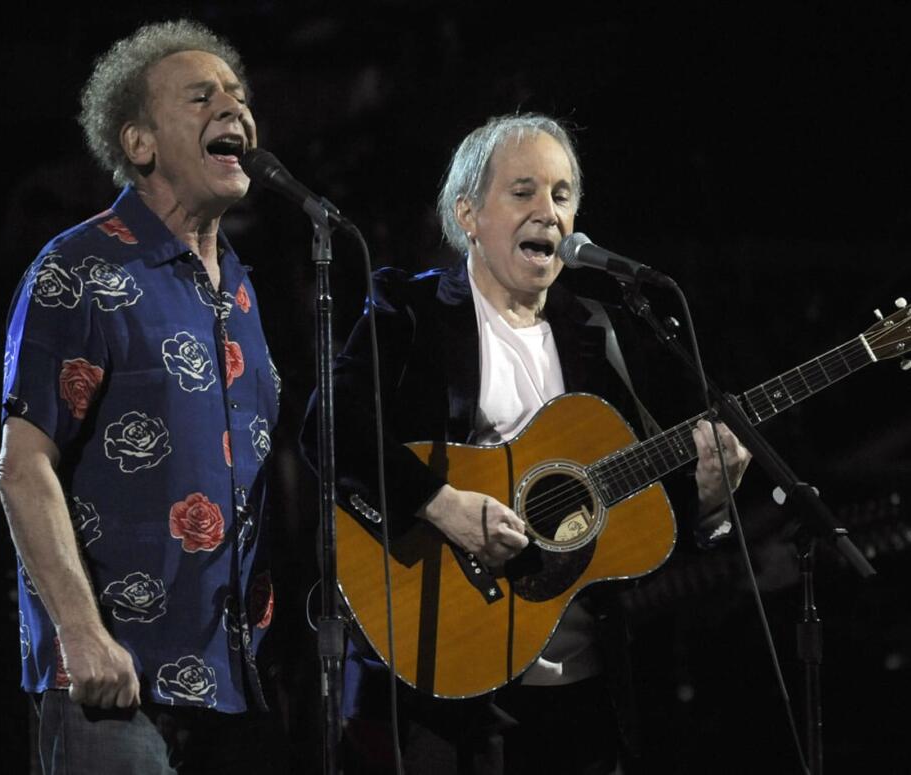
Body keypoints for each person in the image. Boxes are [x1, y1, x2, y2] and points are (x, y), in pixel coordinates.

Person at [302, 113, 751, 774]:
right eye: (523, 192)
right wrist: (441, 502)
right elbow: (329, 427)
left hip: (580, 688)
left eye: (563, 195)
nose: (548, 211)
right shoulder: (412, 312)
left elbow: (641, 514)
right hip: (441, 669)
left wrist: (711, 501)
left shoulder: (595, 334)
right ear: (468, 213)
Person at [0, 20, 286, 774]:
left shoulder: (244, 287)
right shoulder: (79, 267)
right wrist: (82, 633)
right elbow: (24, 466)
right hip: (118, 682)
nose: (234, 107)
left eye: (238, 94)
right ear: (139, 143)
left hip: (236, 683)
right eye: (202, 96)